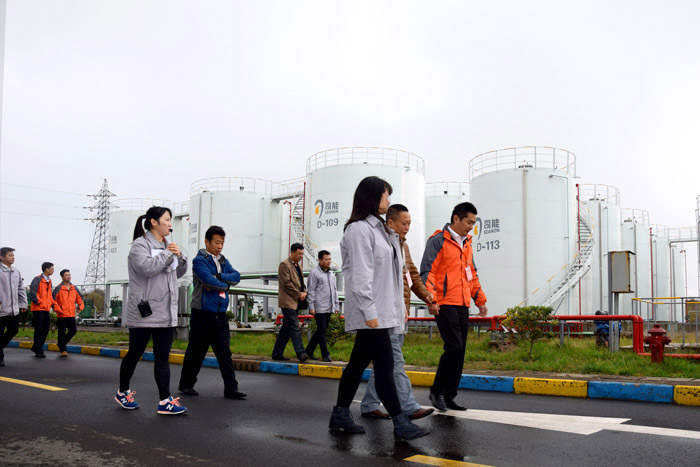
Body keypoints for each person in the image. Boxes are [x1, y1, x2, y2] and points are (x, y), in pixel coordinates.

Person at [328, 176, 429, 441]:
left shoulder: (382, 231)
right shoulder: (359, 230)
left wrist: (398, 309)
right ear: (373, 197)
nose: (389, 200)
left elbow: (393, 275)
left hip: (383, 312)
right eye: (386, 195)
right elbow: (360, 275)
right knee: (385, 367)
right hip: (372, 314)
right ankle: (400, 422)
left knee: (357, 365)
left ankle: (340, 414)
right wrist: (370, 313)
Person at [360, 204, 434, 421]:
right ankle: (409, 407)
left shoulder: (403, 246)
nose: (407, 227)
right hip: (384, 314)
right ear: (390, 222)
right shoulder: (380, 245)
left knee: (385, 363)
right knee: (395, 362)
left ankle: (369, 404)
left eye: (410, 223)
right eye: (404, 223)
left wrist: (428, 296)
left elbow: (412, 276)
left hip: (400, 313)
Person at [114, 206, 189, 415]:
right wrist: (168, 253)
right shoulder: (140, 245)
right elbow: (147, 268)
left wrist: (181, 258)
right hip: (144, 312)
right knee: (135, 353)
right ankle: (122, 391)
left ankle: (165, 401)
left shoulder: (167, 245)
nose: (170, 224)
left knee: (162, 357)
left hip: (166, 311)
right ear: (154, 222)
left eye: (170, 220)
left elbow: (176, 273)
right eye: (167, 220)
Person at [420, 202, 488, 412]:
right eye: (468, 222)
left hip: (462, 304)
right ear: (456, 218)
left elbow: (471, 274)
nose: (471, 227)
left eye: (473, 223)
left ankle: (450, 395)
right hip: (444, 303)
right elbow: (428, 272)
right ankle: (437, 392)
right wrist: (431, 299)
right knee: (454, 347)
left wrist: (480, 300)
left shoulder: (466, 243)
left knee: (460, 351)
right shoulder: (438, 241)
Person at [178, 225, 247, 400]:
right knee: (196, 352)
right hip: (202, 313)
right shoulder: (199, 261)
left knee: (225, 353)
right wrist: (225, 284)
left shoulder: (223, 260)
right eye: (216, 242)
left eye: (222, 243)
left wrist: (221, 277)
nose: (219, 246)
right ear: (207, 242)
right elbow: (208, 281)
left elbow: (236, 276)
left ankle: (231, 389)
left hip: (220, 314)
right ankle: (186, 384)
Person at [271, 243, 309, 362]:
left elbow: (301, 282)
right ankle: (301, 353)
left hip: (296, 301)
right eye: (299, 254)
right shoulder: (284, 265)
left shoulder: (298, 266)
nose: (301, 256)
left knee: (286, 329)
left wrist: (304, 291)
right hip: (288, 301)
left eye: (302, 254)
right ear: (292, 252)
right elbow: (286, 283)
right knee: (294, 326)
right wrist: (299, 294)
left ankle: (277, 353)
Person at [304, 250, 339, 362]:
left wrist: (336, 306)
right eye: (326, 259)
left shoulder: (331, 274)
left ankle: (308, 351)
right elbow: (311, 291)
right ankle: (326, 355)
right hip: (319, 308)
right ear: (320, 260)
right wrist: (311, 307)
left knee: (320, 331)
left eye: (329, 259)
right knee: (322, 331)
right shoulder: (314, 273)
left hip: (329, 307)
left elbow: (334, 291)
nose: (328, 261)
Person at [0, 247, 28, 367]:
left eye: (13, 255)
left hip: (13, 310)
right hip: (1, 309)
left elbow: (21, 288)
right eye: (10, 255)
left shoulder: (16, 271)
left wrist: (23, 303)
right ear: (1, 257)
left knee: (14, 330)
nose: (13, 257)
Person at [29, 262, 61, 358]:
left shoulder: (49, 281)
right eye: (52, 268)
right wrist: (40, 303)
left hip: (46, 309)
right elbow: (33, 293)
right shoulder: (37, 279)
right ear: (46, 269)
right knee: (39, 329)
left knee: (46, 329)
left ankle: (36, 347)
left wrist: (54, 306)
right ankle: (38, 349)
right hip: (38, 308)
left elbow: (50, 296)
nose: (53, 270)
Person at [52, 269, 85, 358]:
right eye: (66, 275)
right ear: (62, 277)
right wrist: (58, 310)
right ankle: (63, 350)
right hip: (61, 314)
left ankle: (61, 344)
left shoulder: (74, 288)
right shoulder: (58, 288)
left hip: (71, 314)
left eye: (69, 275)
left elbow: (80, 298)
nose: (69, 277)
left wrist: (80, 307)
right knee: (61, 332)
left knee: (73, 331)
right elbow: (53, 301)